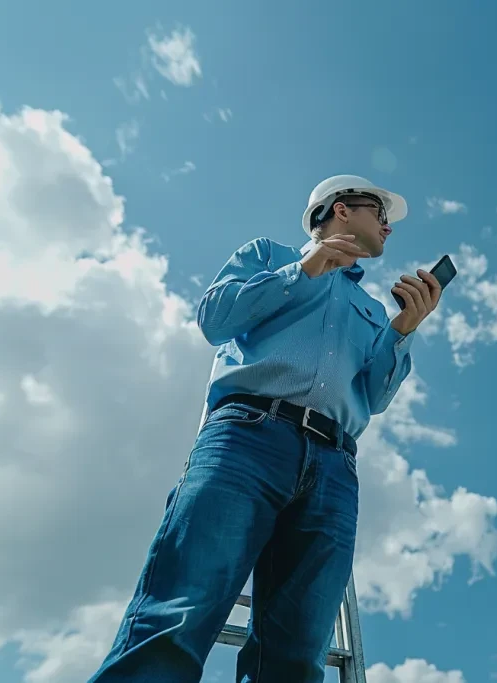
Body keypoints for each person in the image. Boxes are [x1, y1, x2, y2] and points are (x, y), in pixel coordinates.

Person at [88, 175, 442, 683]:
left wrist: (402, 332)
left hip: (334, 466)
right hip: (247, 439)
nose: (388, 226)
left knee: (297, 653)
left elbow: (375, 397)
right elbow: (215, 318)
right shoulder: (267, 255)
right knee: (179, 613)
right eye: (379, 212)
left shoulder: (372, 310)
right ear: (341, 210)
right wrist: (303, 270)